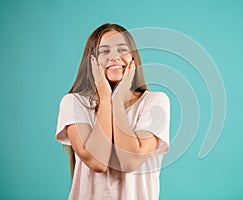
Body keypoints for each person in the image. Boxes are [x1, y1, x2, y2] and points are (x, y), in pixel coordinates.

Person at [55, 23, 170, 200]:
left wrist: (117, 101)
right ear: (92, 60)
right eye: (105, 51)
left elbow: (130, 160)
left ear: (133, 58)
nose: (115, 57)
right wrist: (106, 98)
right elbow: (97, 161)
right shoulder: (73, 103)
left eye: (122, 49)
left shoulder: (155, 102)